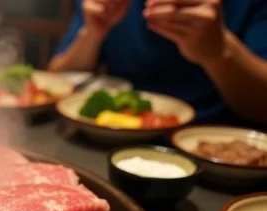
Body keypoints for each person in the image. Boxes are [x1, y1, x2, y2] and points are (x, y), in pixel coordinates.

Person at [49, 0, 267, 126]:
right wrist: (92, 33)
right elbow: (57, 77)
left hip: (216, 143)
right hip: (114, 135)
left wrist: (218, 52)